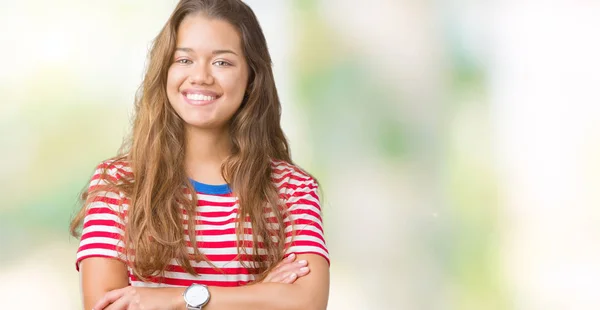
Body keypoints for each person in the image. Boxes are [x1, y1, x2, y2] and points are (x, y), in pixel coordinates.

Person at [69, 1, 330, 309]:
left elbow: (307, 303)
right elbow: (108, 307)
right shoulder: (117, 183)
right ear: (165, 69)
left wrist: (180, 298)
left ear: (252, 78)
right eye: (184, 59)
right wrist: (261, 292)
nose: (201, 76)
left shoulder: (293, 188)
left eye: (222, 63)